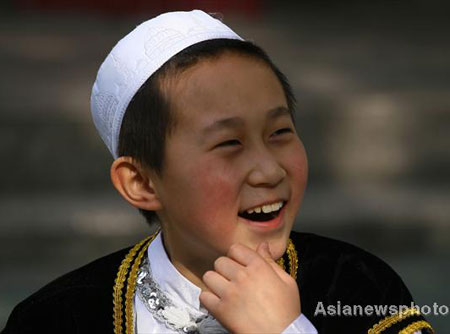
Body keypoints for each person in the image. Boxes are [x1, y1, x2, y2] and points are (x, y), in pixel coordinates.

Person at [2, 10, 434, 334]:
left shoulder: (356, 286)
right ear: (141, 182)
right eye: (229, 144)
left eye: (280, 131)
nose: (268, 169)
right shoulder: (59, 317)